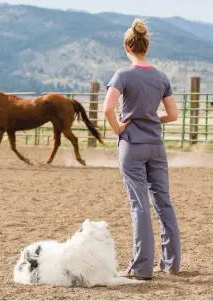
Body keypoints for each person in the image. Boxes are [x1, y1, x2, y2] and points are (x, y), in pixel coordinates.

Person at [103, 19, 181, 280]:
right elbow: (173, 114)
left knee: (140, 206)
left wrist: (119, 128)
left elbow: (107, 109)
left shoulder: (123, 76)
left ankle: (142, 267)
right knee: (164, 203)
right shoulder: (161, 77)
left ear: (127, 46)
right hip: (156, 147)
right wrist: (151, 118)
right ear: (146, 46)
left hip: (132, 146)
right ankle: (171, 264)